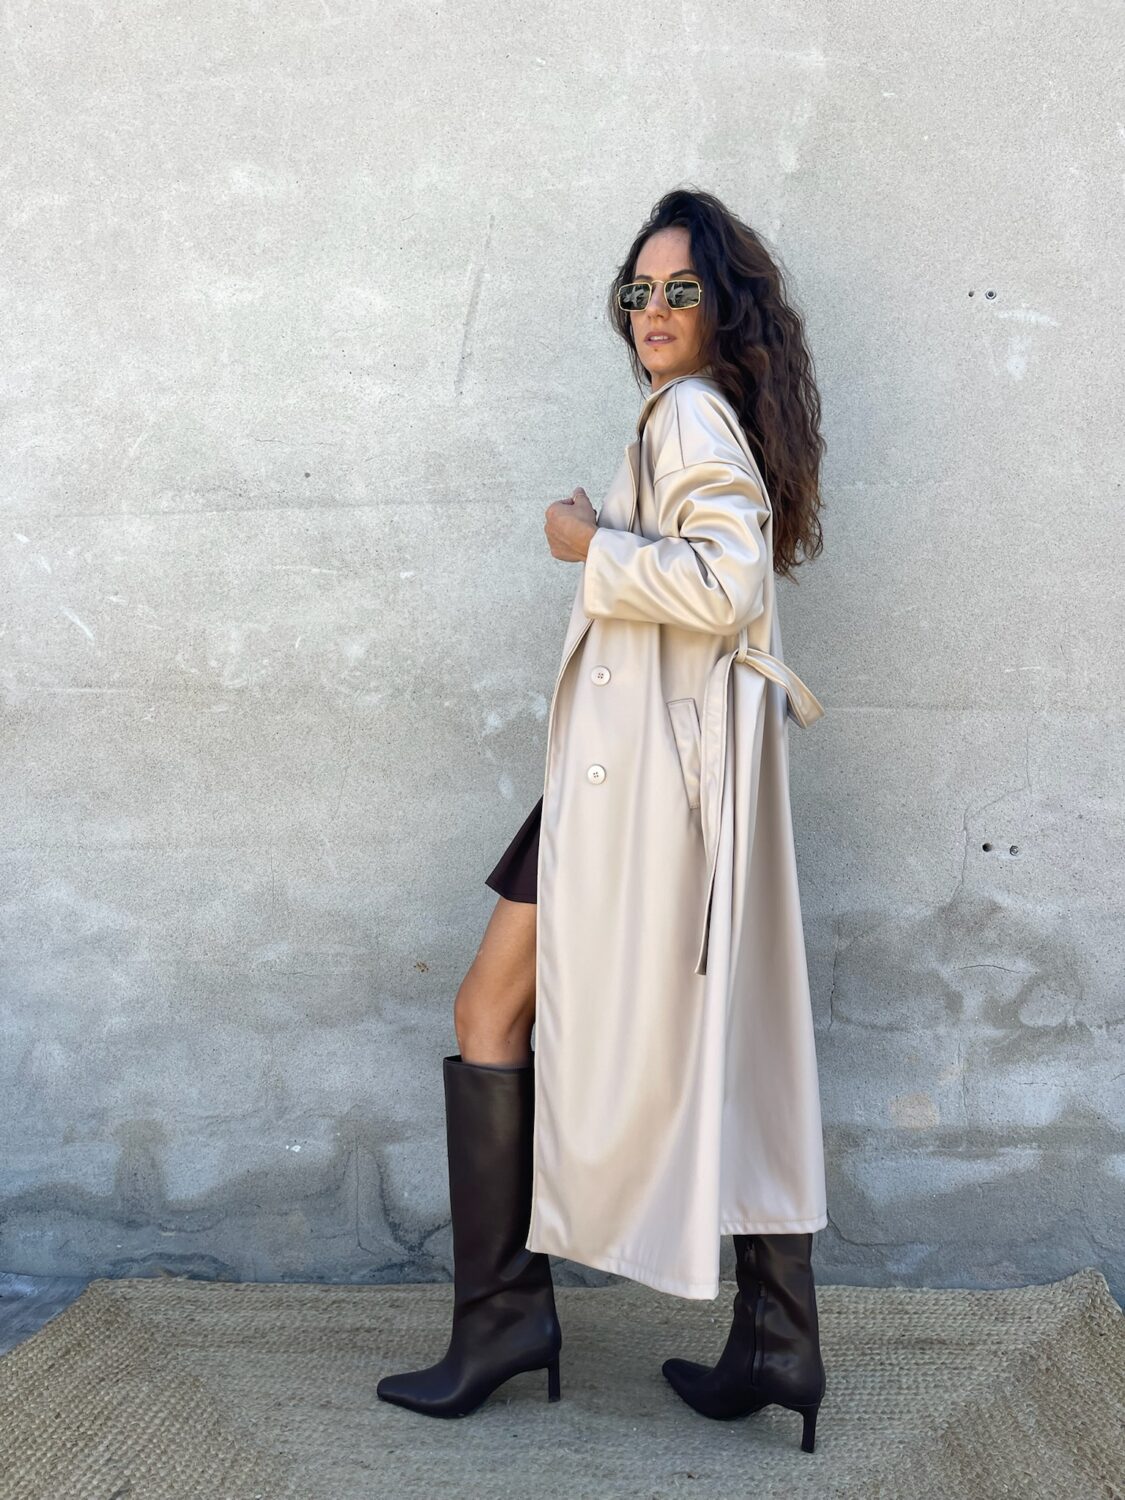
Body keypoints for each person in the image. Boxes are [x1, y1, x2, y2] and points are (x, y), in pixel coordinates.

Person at [377, 187, 830, 1453]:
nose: (653, 312)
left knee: (493, 1010)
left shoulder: (688, 413)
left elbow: (725, 582)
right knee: (723, 1038)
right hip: (637, 777)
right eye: (639, 292)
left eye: (680, 290)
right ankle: (776, 1337)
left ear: (723, 306)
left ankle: (503, 1323)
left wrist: (587, 543)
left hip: (633, 783)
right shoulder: (703, 414)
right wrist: (615, 535)